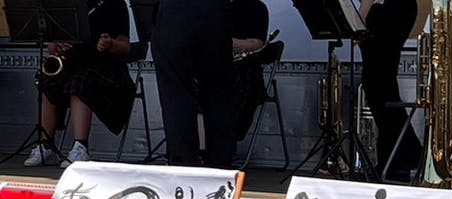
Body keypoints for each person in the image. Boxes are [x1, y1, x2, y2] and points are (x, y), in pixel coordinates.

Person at [24, 0, 136, 169]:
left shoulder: (114, 4)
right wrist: (58, 45)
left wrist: (110, 44)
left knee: (79, 81)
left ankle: (81, 147)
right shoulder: (67, 5)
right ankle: (46, 144)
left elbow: (125, 46)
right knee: (48, 78)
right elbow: (52, 47)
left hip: (107, 68)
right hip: (74, 64)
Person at [151, 0, 236, 168]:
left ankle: (182, 160)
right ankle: (221, 162)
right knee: (218, 89)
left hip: (174, 12)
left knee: (175, 90)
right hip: (214, 12)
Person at [359, 0, 423, 183]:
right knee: (382, 86)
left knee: (378, 84)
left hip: (388, 10)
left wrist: (360, 23)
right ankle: (398, 158)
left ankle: (404, 156)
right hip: (394, 9)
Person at [231, 0, 270, 141]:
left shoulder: (255, 7)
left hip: (242, 74)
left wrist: (223, 42)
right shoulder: (214, 8)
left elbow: (257, 43)